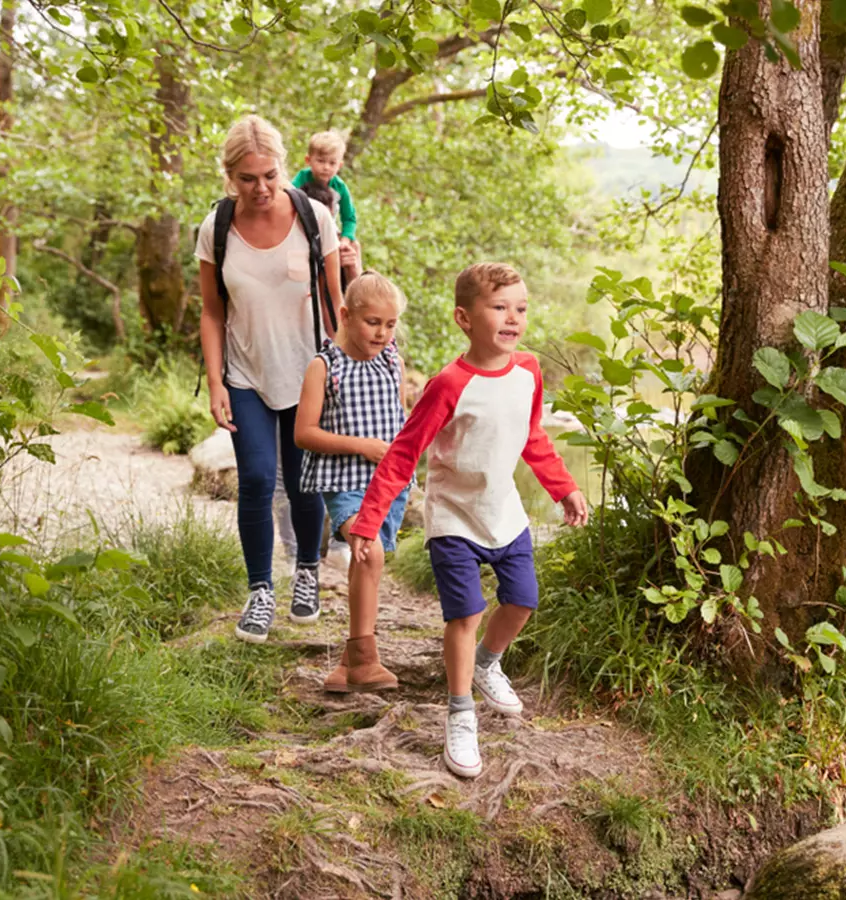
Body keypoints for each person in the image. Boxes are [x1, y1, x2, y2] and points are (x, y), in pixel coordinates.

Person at [346, 262, 588, 778]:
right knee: (465, 614)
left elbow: (532, 437)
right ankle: (460, 714)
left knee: (523, 600)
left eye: (520, 308)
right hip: (454, 517)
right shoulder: (449, 384)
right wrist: (368, 523)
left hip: (504, 512)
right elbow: (402, 455)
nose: (512, 318)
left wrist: (563, 488)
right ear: (464, 317)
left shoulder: (528, 372)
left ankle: (485, 664)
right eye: (499, 307)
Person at [196, 114, 343, 643]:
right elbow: (212, 312)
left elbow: (336, 302)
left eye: (270, 175)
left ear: (285, 168)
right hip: (245, 373)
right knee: (257, 478)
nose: (260, 188)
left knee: (305, 482)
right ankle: (260, 591)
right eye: (247, 178)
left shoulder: (314, 217)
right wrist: (216, 383)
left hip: (308, 372)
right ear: (229, 177)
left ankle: (307, 571)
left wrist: (344, 369)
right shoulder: (215, 228)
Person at [294, 272, 411, 692]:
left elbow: (398, 420)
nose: (382, 333)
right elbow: (303, 433)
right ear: (346, 315)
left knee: (370, 560)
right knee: (369, 553)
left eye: (390, 324)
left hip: (387, 484)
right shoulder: (324, 367)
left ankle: (346, 667)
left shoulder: (391, 362)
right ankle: (366, 659)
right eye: (372, 322)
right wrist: (361, 446)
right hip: (344, 479)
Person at [291, 131, 358, 260]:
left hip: (329, 231)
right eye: (321, 161)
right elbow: (287, 197)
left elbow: (349, 218)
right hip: (302, 230)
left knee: (352, 250)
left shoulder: (340, 187)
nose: (326, 167)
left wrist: (345, 239)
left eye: (332, 163)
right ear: (308, 160)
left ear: (339, 165)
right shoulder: (300, 180)